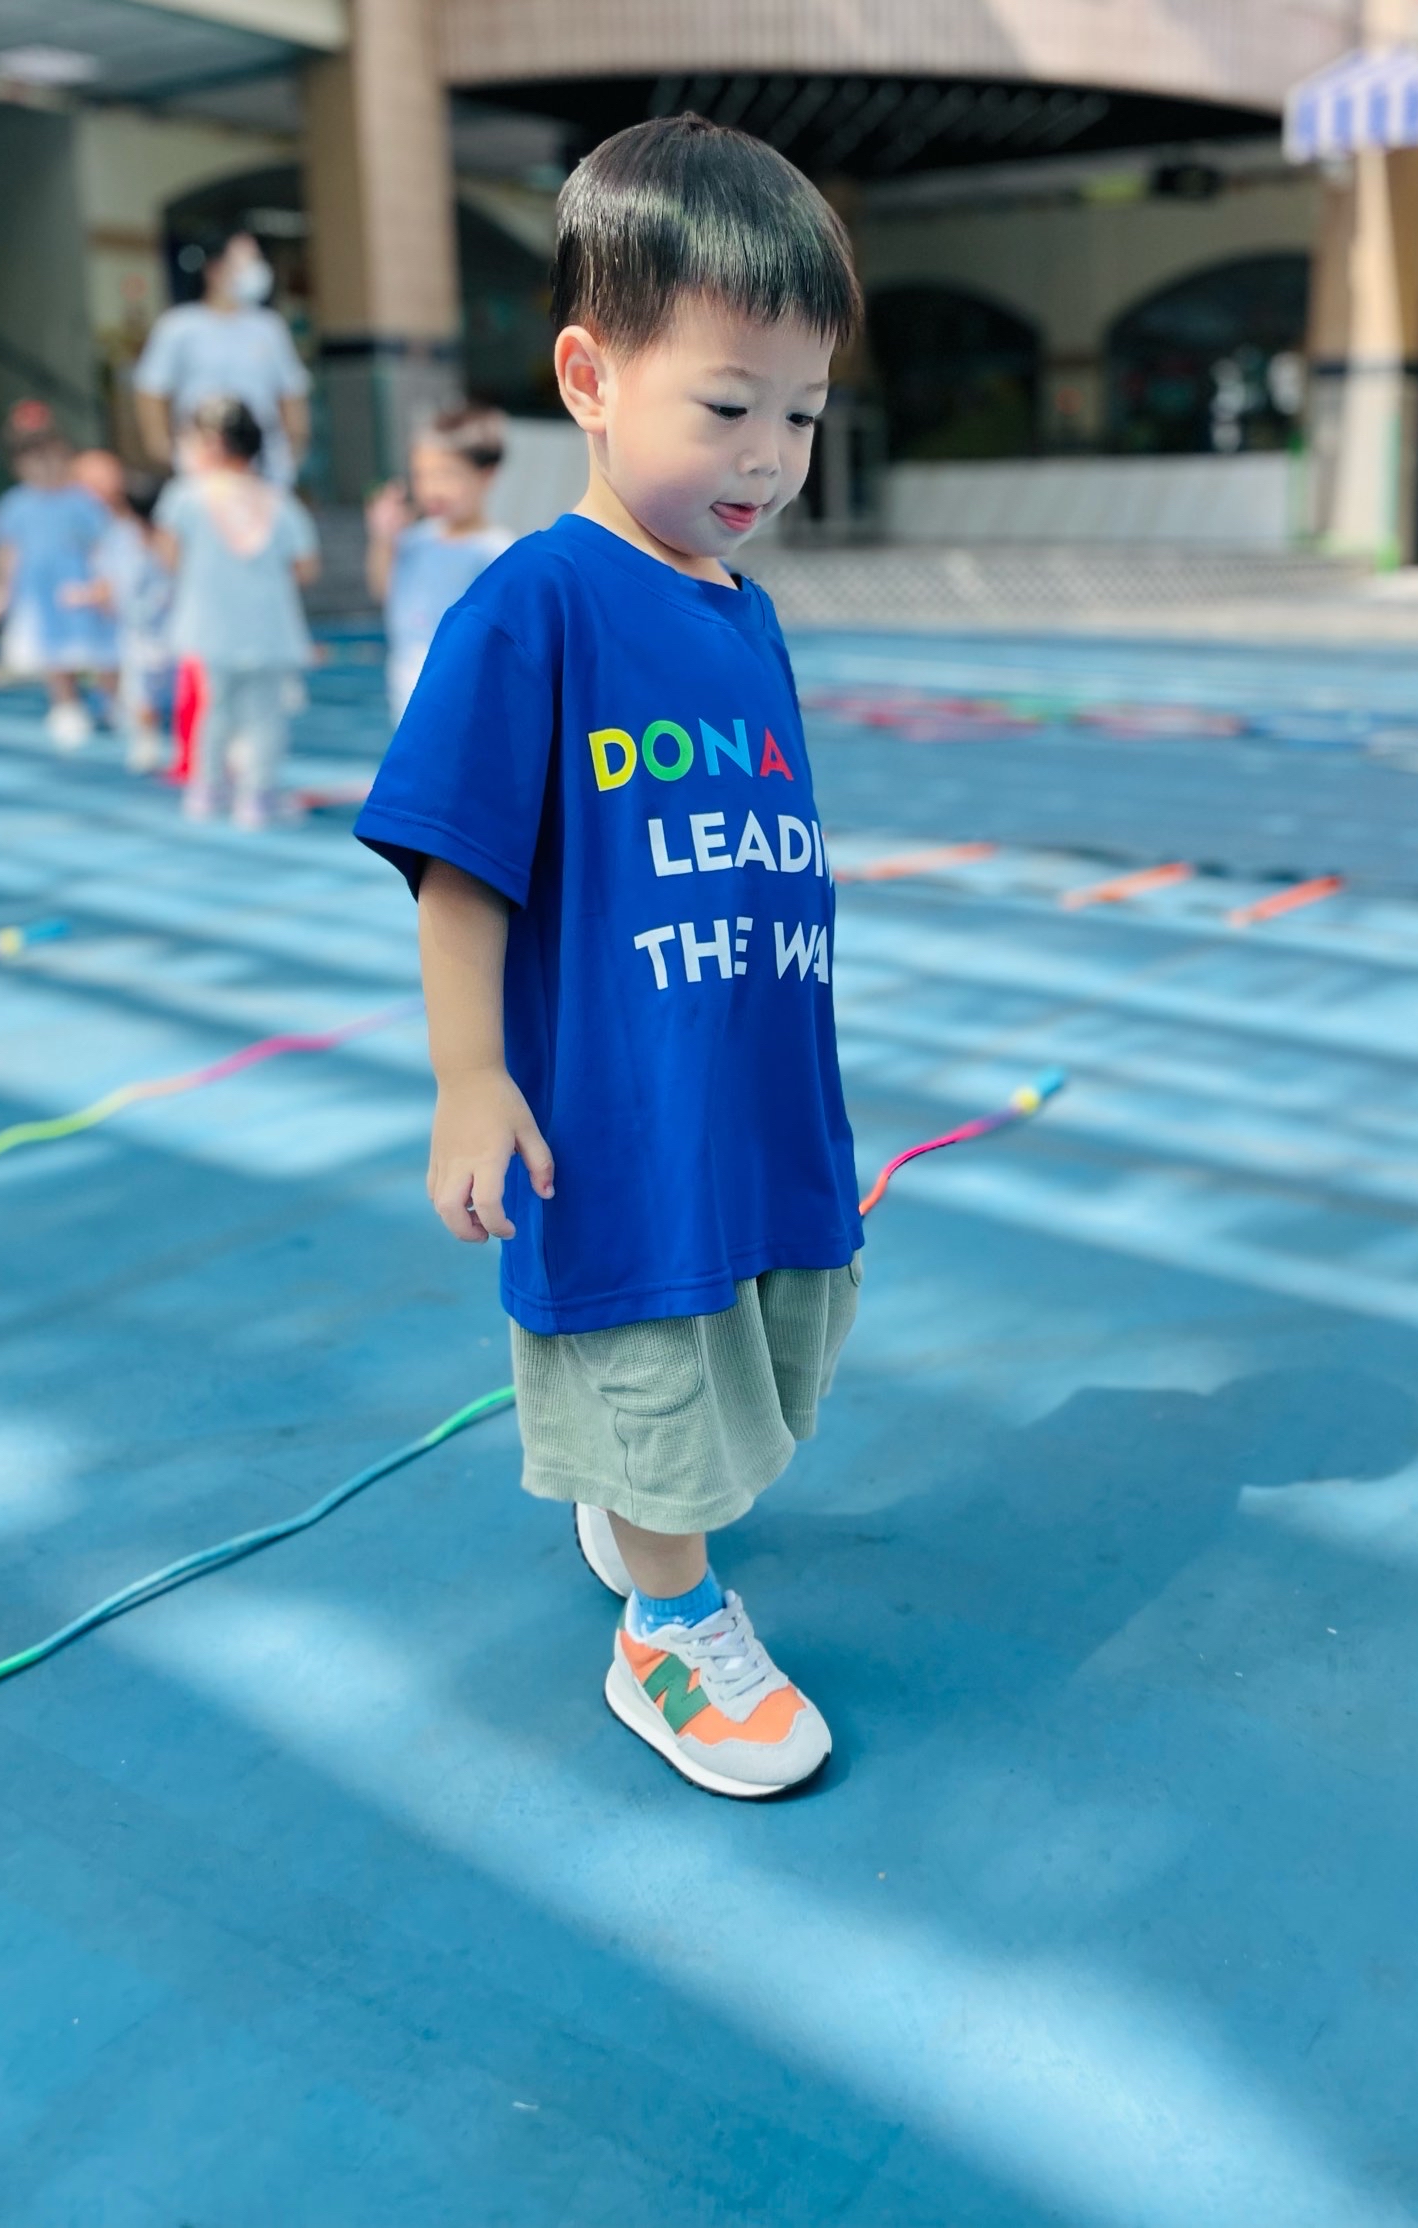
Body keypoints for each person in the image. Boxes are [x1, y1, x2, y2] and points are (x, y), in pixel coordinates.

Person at [355, 115, 865, 1799]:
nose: (768, 457)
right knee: (655, 1339)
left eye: (802, 413)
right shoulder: (536, 603)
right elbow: (459, 861)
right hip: (618, 1110)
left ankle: (633, 1513)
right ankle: (668, 1627)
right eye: (726, 407)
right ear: (588, 375)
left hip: (744, 1088)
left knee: (754, 1347)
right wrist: (471, 1076)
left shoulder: (743, 612)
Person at [154, 396, 320, 827]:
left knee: (215, 708)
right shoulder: (279, 501)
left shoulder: (185, 496)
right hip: (268, 626)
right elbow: (305, 567)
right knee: (265, 714)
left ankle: (206, 790)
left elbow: (167, 555)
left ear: (211, 443)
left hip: (210, 625)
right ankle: (257, 796)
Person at [0, 413, 117, 748]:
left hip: (80, 592)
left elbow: (102, 547)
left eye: (51, 456)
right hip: (41, 596)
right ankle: (66, 705)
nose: (45, 466)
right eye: (34, 459)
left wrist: (103, 586)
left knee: (102, 650)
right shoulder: (17, 504)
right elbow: (9, 551)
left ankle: (112, 700)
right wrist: (1, 590)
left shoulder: (82, 501)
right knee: (55, 654)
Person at [365, 405, 512, 722]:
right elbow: (383, 589)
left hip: (467, 702)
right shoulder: (413, 541)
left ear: (486, 475)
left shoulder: (497, 552)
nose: (431, 488)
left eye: (446, 474)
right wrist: (383, 541)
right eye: (421, 475)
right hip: (407, 696)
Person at [133, 228, 311, 487]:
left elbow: (292, 392)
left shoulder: (269, 327)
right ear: (214, 269)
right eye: (244, 262)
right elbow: (151, 389)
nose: (254, 270)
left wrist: (292, 452)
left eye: (256, 260)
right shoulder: (178, 326)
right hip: (202, 463)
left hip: (264, 465)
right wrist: (164, 450)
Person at [73, 449, 172, 773]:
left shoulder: (170, 539)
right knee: (140, 690)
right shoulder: (117, 537)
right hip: (137, 632)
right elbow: (109, 582)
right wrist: (91, 597)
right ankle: (144, 738)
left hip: (176, 629)